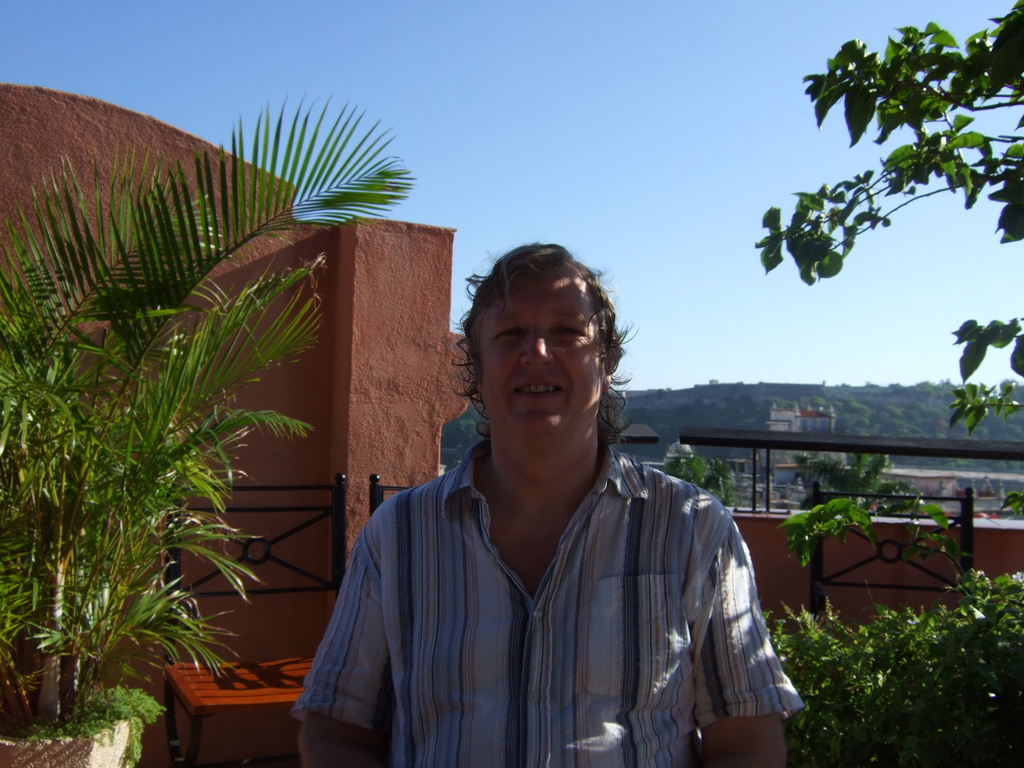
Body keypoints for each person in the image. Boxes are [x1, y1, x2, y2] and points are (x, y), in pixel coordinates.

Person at [294, 243, 802, 767]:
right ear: (477, 370)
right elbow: (336, 732)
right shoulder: (398, 535)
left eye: (566, 331)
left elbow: (747, 742)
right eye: (510, 333)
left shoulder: (693, 528)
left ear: (605, 364)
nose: (536, 352)